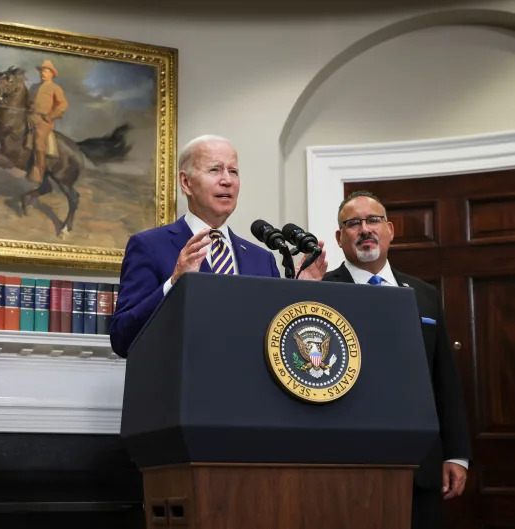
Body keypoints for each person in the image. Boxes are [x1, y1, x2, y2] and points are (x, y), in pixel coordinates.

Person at [323, 190, 470, 529]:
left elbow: (444, 378)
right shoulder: (319, 289)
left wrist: (456, 453)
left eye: (373, 220)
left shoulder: (425, 295)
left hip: (421, 465)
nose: (365, 229)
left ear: (390, 230)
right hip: (344, 464)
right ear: (340, 237)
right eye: (353, 223)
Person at [109, 135, 327, 358]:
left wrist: (301, 294)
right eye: (215, 170)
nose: (227, 180)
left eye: (233, 171)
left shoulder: (261, 259)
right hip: (182, 388)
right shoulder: (149, 246)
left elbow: (279, 343)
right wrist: (174, 283)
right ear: (186, 182)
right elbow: (122, 338)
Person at [22, 59, 69, 214]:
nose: (43, 73)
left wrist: (51, 115)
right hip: (31, 116)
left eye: (46, 70)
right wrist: (28, 110)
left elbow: (63, 105)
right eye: (42, 70)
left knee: (38, 137)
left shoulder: (55, 88)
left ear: (52, 74)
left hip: (44, 120)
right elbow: (29, 102)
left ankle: (38, 169)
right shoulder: (34, 87)